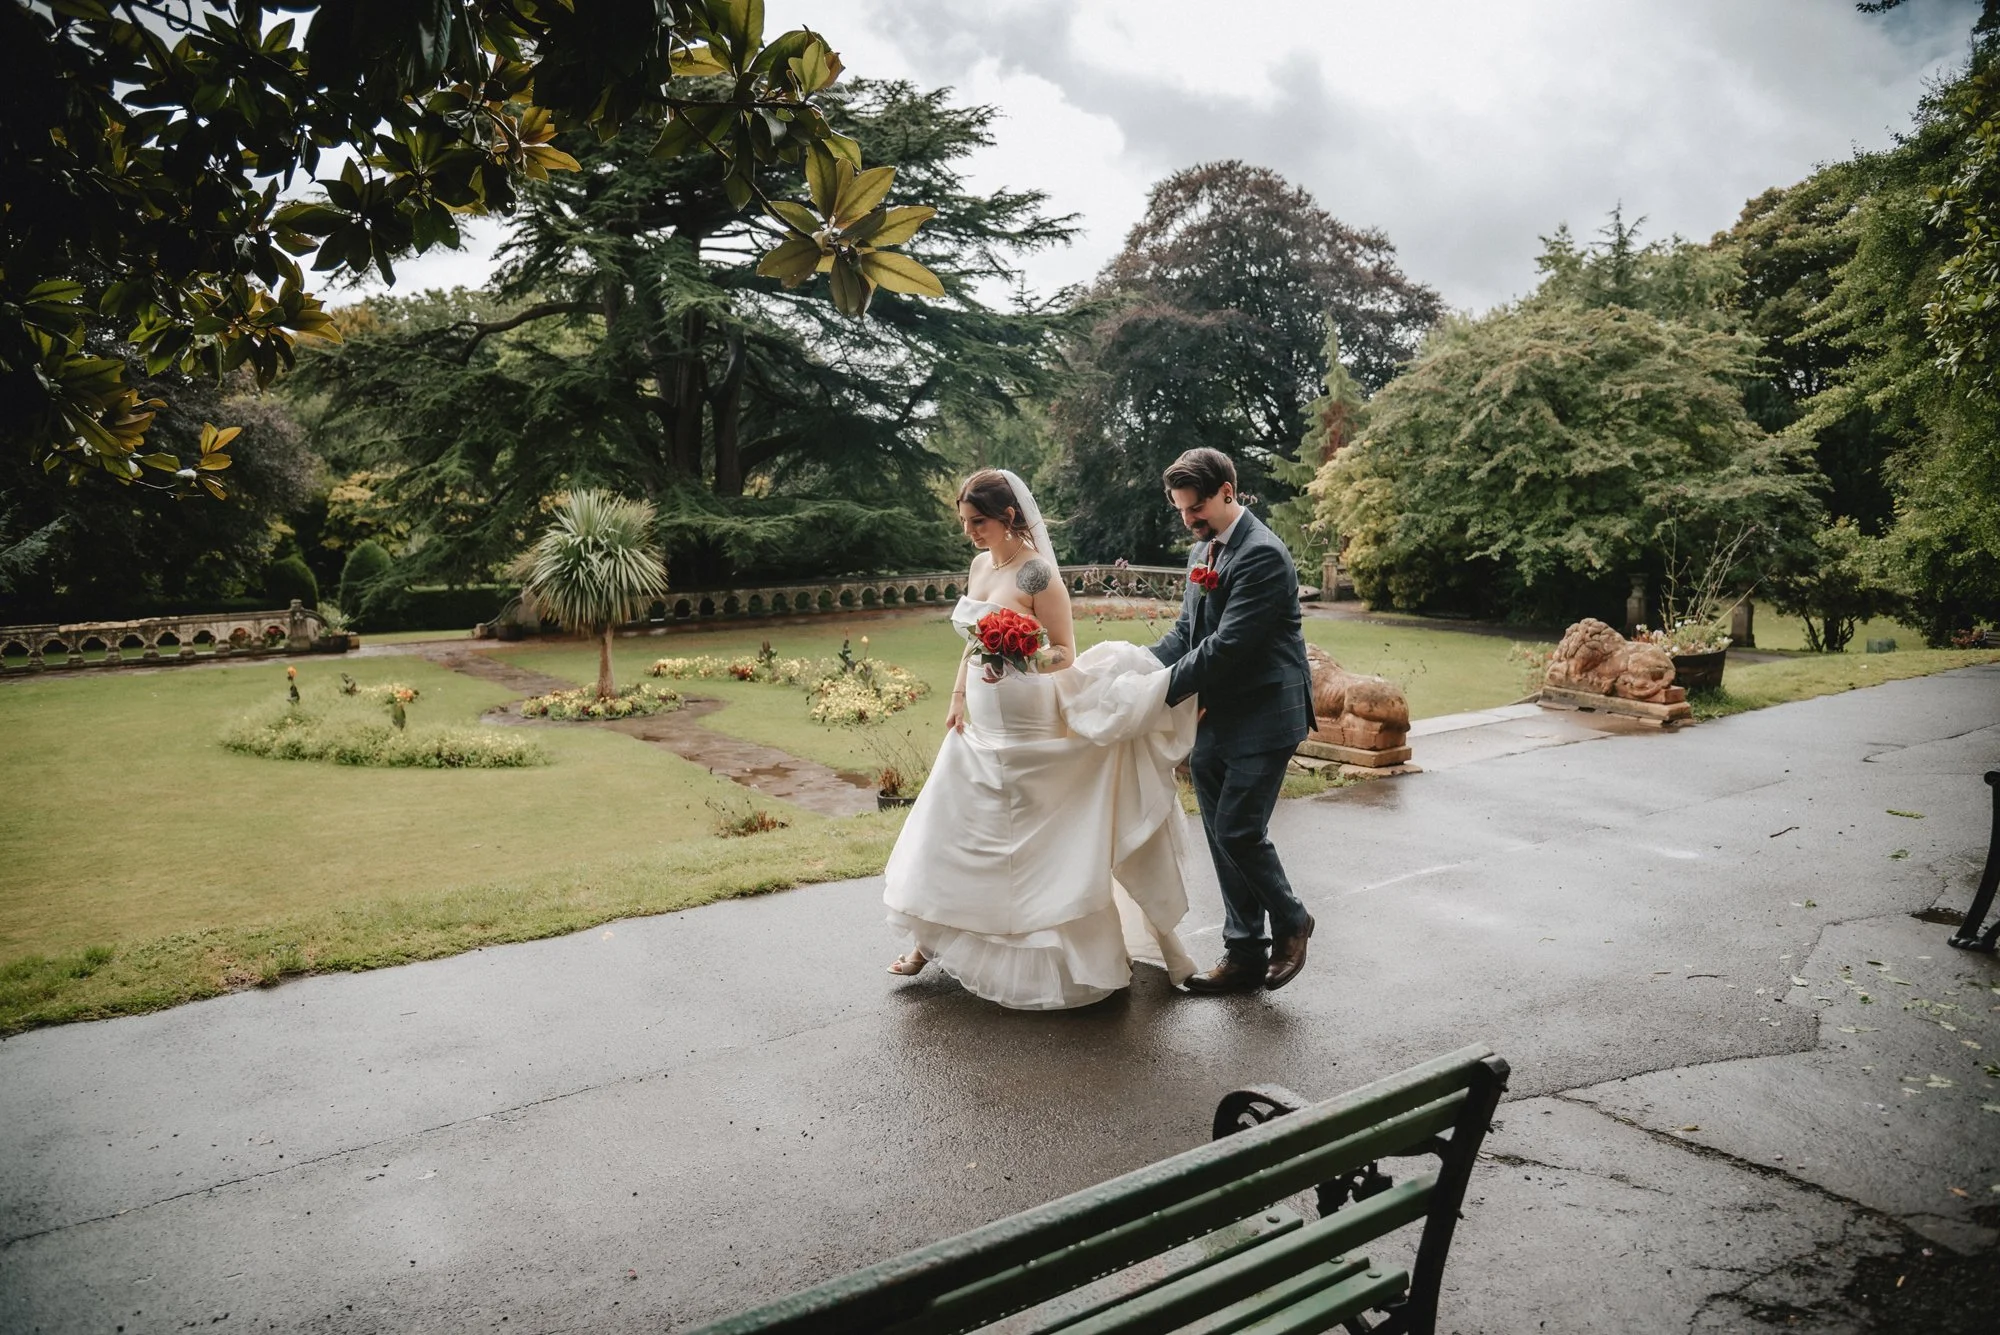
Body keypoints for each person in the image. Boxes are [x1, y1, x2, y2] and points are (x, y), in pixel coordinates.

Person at [881, 468, 1200, 1009]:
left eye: (977, 522)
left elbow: (1065, 652)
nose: (970, 533)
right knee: (953, 824)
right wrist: (958, 695)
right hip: (978, 718)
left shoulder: (1037, 577)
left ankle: (1046, 950)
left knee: (1027, 833)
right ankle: (928, 939)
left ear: (1008, 517)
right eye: (964, 523)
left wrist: (1017, 652)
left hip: (1028, 716)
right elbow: (969, 640)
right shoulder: (981, 566)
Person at [1149, 448, 1317, 993]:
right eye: (1181, 511)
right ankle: (1244, 952)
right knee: (1222, 835)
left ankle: (1292, 919)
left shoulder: (1262, 555)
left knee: (1238, 829)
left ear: (1229, 492)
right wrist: (1130, 669)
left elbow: (1227, 648)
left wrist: (1157, 689)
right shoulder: (1207, 549)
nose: (1189, 521)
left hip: (1266, 714)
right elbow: (1186, 633)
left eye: (1196, 509)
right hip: (1217, 715)